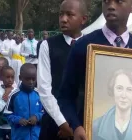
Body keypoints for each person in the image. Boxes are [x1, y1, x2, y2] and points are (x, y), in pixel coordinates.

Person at [57, 0, 132, 139]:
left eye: (118, 1)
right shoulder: (83, 47)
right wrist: (76, 126)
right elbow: (65, 96)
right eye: (106, 1)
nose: (111, 6)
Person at [37, 0, 87, 139]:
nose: (63, 19)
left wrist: (77, 125)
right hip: (55, 122)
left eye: (70, 15)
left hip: (84, 123)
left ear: (83, 19)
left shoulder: (91, 46)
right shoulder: (47, 45)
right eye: (61, 14)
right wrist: (63, 123)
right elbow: (44, 89)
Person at [93, 69, 132, 140]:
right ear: (113, 90)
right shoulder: (96, 126)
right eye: (119, 88)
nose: (123, 95)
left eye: (129, 89)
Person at [6, 63, 44, 140]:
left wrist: (37, 117)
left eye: (33, 79)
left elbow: (46, 112)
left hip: (37, 136)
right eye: (27, 79)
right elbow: (7, 114)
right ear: (20, 78)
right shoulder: (14, 95)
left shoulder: (40, 95)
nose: (31, 82)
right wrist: (18, 120)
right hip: (19, 136)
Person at [0, 66, 16, 140]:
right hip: (0, 124)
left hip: (12, 124)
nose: (10, 80)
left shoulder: (16, 91)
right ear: (2, 77)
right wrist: (6, 94)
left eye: (12, 77)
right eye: (7, 77)